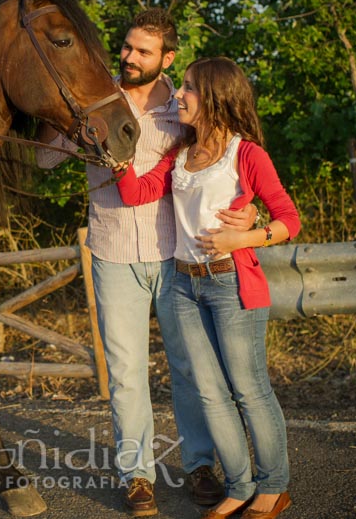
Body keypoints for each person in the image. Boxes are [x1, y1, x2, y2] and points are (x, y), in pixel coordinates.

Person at [36, 10, 256, 516]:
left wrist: (248, 210)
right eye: (128, 47)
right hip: (112, 253)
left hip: (175, 254)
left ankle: (200, 465)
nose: (130, 57)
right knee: (127, 371)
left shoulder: (185, 108)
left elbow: (228, 160)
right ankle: (137, 475)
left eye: (143, 51)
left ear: (167, 59)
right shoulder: (95, 97)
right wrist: (62, 116)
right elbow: (46, 161)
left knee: (189, 367)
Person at [115, 56, 300, 519]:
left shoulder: (246, 154)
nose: (179, 94)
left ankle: (273, 486)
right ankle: (238, 486)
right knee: (210, 393)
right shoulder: (179, 156)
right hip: (182, 286)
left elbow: (289, 219)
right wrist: (114, 156)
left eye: (190, 88)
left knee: (249, 390)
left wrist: (245, 236)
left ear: (216, 97)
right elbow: (135, 193)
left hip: (231, 285)